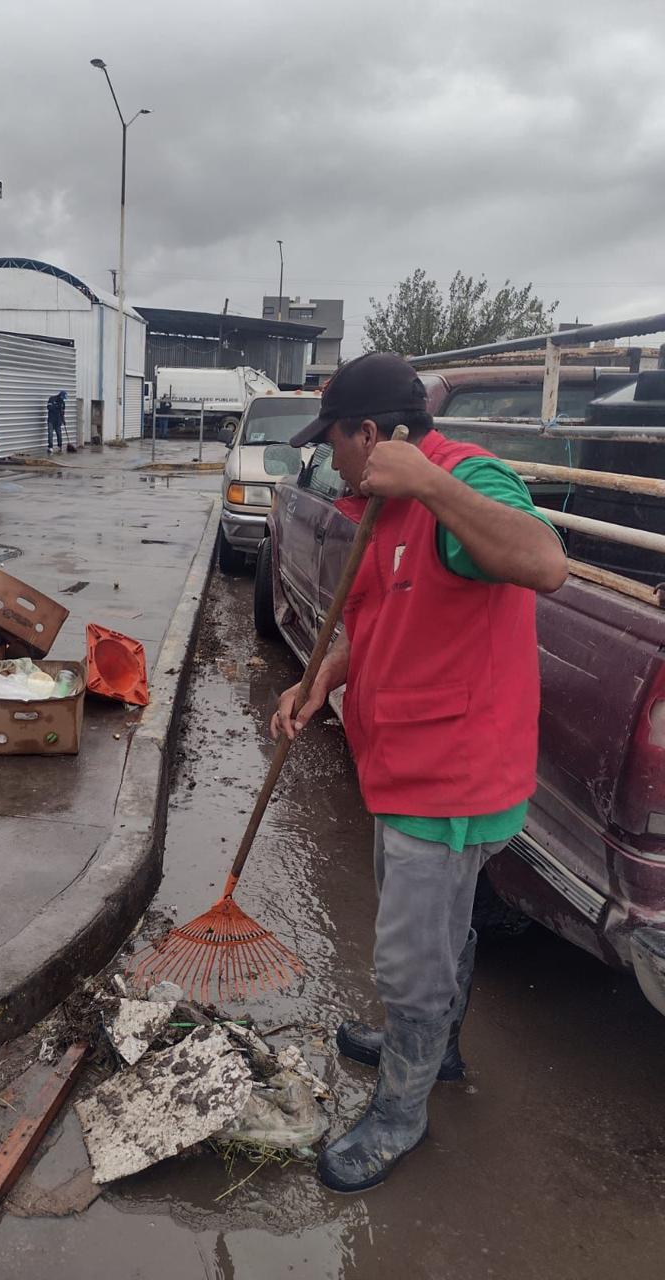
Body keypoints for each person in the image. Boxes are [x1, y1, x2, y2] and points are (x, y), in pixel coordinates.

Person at [271, 351, 567, 1194]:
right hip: (400, 765)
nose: (330, 459)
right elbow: (383, 630)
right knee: (437, 935)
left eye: (336, 441)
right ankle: (434, 1048)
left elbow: (545, 562)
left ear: (373, 434)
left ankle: (401, 1112)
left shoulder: (460, 486)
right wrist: (319, 677)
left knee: (411, 962)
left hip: (451, 779)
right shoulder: (384, 507)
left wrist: (433, 486)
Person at [47, 390, 67, 454]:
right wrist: (56, 406)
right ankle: (50, 447)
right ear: (60, 395)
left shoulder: (63, 403)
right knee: (50, 434)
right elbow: (49, 407)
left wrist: (63, 420)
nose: (63, 399)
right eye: (63, 397)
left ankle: (60, 446)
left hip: (58, 421)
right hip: (51, 420)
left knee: (59, 434)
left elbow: (62, 413)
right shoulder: (52, 399)